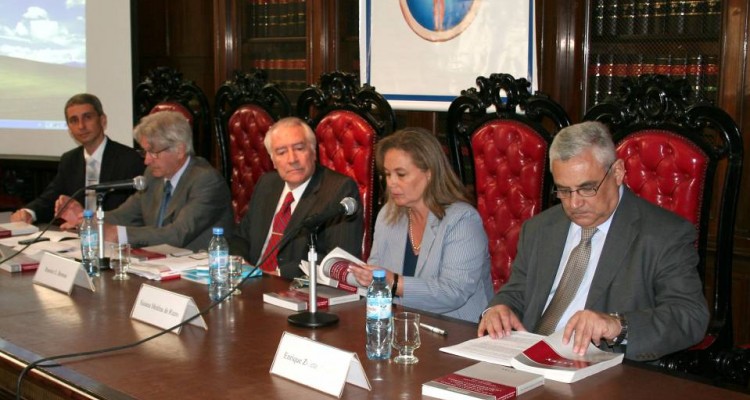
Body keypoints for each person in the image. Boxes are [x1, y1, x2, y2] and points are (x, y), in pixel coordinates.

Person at [477, 121, 709, 361]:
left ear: (617, 172)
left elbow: (690, 316)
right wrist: (498, 309)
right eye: (563, 191)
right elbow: (517, 291)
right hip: (526, 356)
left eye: (587, 188)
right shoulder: (540, 228)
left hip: (601, 367)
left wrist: (619, 326)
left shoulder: (663, 234)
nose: (574, 203)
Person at [348, 127, 493, 323]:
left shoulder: (462, 220)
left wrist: (394, 282)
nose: (391, 183)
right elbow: (377, 275)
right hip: (402, 324)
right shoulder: (388, 216)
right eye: (388, 174)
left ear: (429, 173)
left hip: (457, 331)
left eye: (401, 174)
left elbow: (454, 293)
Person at [59, 111, 233, 252]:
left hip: (200, 271)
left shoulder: (206, 181)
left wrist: (119, 235)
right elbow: (125, 215)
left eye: (153, 152)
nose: (146, 161)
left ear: (179, 150)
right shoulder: (153, 175)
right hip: (158, 265)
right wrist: (87, 218)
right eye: (145, 152)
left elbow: (177, 235)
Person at [233, 117, 363, 278]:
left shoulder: (339, 190)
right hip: (250, 282)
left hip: (293, 286)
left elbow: (338, 258)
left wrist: (277, 273)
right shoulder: (267, 183)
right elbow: (242, 237)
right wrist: (237, 262)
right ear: (273, 160)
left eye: (299, 148)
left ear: (313, 152)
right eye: (281, 152)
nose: (292, 159)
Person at [9, 93, 144, 224]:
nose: (81, 126)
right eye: (74, 120)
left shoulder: (128, 159)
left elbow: (136, 213)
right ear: (69, 128)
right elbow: (50, 199)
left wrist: (87, 221)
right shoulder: (70, 159)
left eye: (87, 117)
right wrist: (28, 212)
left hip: (114, 238)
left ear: (103, 120)